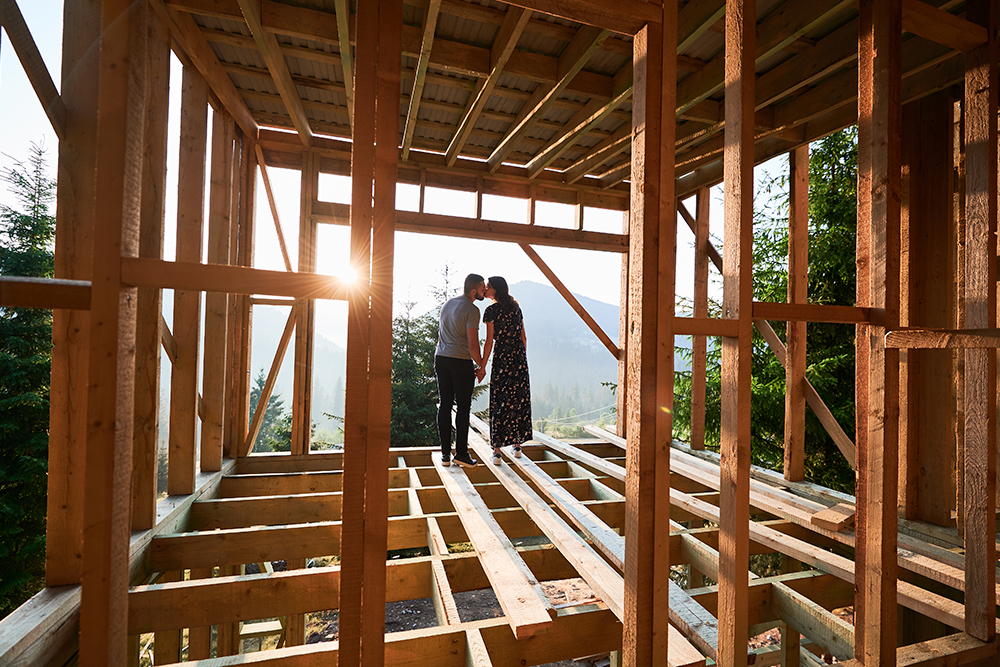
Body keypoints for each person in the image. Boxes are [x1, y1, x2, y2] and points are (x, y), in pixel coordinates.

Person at [435, 273, 488, 468]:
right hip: (460, 361)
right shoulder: (472, 310)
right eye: (483, 287)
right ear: (473, 290)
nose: (484, 290)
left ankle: (445, 455)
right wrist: (481, 366)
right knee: (463, 406)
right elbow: (473, 345)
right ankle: (462, 453)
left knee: (445, 404)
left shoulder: (448, 304)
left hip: (441, 358)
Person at [481, 276, 532, 466]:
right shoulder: (516, 307)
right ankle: (517, 446)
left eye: (488, 286)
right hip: (518, 357)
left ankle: (497, 451)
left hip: (502, 357)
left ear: (496, 289)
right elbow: (523, 336)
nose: (485, 289)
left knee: (500, 399)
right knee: (517, 398)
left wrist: (483, 365)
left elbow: (489, 341)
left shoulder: (491, 311)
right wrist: (521, 359)